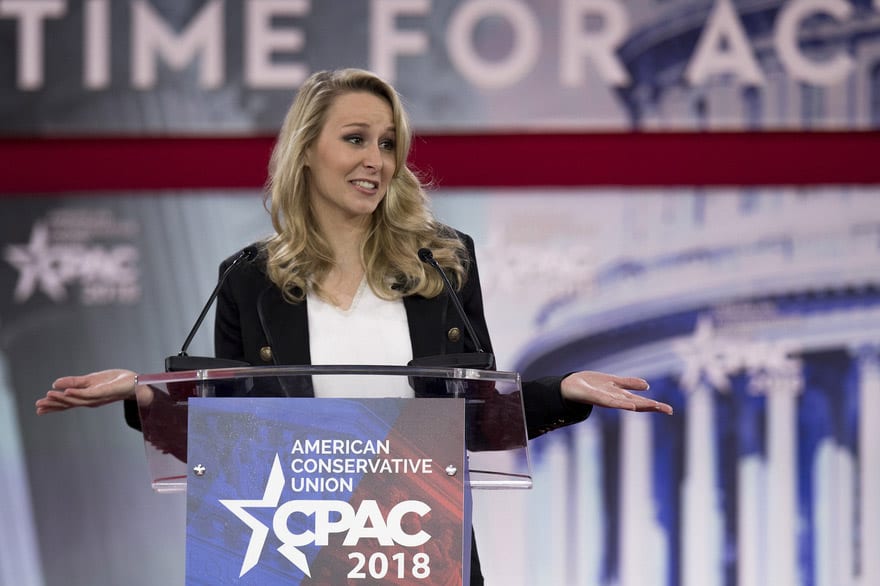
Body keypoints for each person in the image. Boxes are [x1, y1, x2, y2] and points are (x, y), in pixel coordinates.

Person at [36, 68, 673, 584]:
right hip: (296, 554)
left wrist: (561, 391)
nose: (376, 160)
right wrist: (146, 395)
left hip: (419, 550)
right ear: (307, 150)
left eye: (388, 143)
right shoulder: (250, 281)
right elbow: (229, 434)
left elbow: (477, 418)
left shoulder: (443, 265)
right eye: (356, 138)